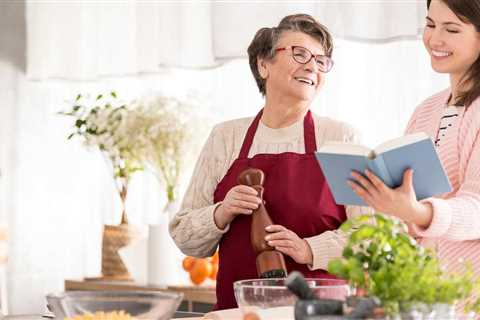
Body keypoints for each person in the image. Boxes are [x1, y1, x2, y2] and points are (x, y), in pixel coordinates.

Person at [169, 14, 367, 310]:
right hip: (240, 313)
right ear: (264, 64)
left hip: (320, 314)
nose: (312, 65)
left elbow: (373, 236)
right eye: (300, 54)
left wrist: (308, 248)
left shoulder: (341, 138)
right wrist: (222, 212)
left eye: (321, 60)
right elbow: (185, 235)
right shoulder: (226, 137)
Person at [349, 0, 480, 302]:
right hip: (429, 296)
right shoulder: (426, 111)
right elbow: (412, 209)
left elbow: (476, 209)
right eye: (431, 24)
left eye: (451, 29)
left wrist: (418, 212)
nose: (435, 39)